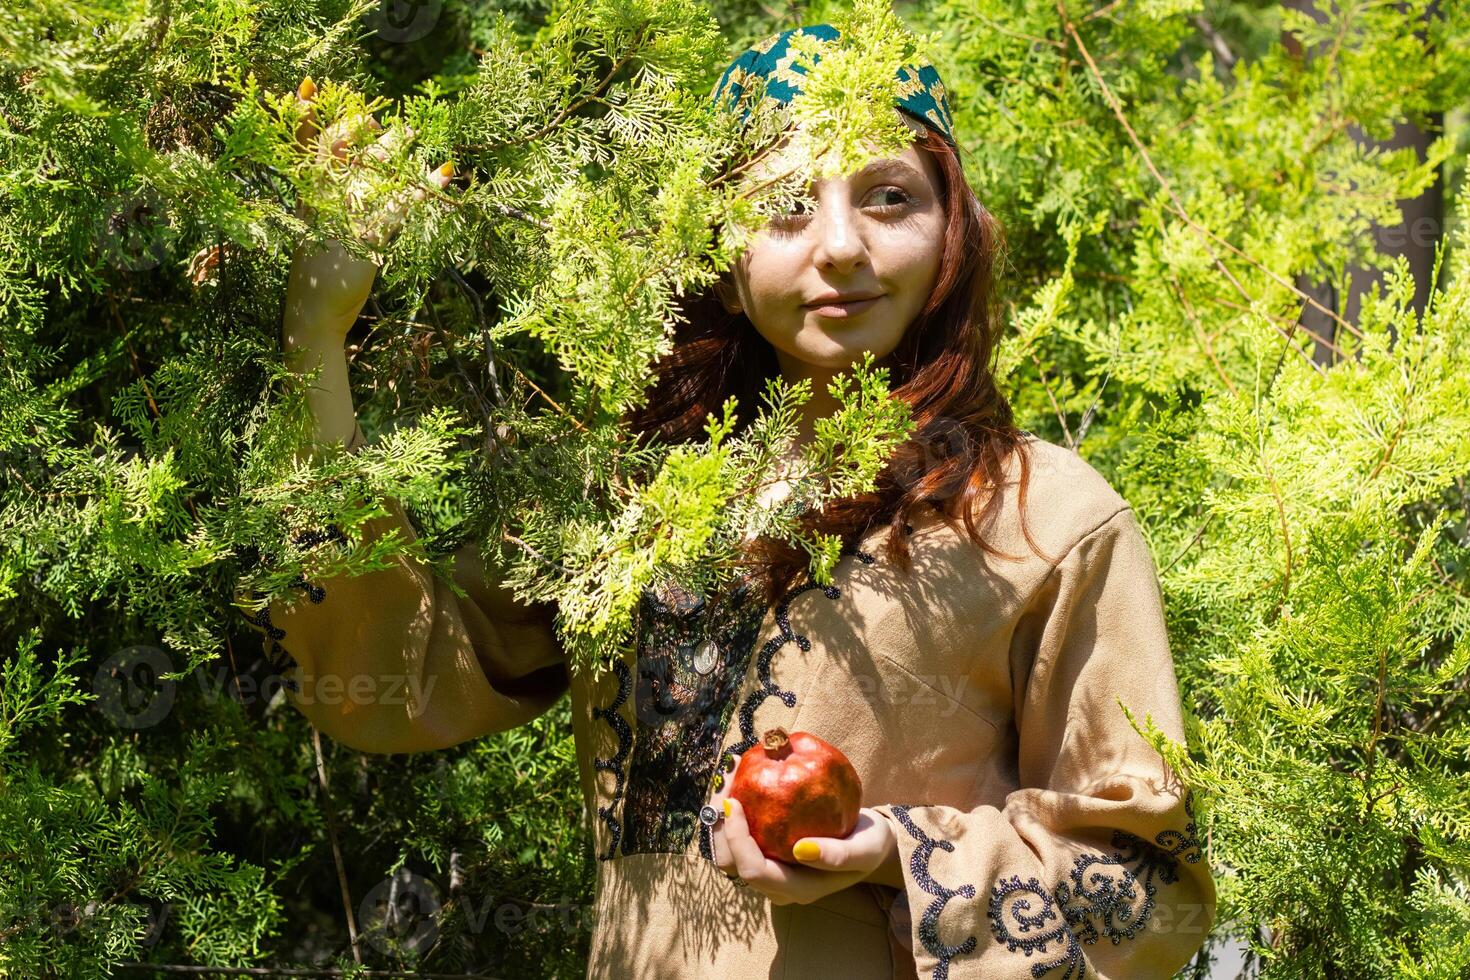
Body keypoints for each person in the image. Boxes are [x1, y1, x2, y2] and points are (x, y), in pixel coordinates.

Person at [245, 24, 1216, 979]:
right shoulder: (625, 496)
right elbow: (389, 679)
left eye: (889, 197)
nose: (840, 247)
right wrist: (316, 343)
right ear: (718, 245)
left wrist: (897, 853)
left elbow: (1147, 891)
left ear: (953, 228)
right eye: (786, 203)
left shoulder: (1042, 513)